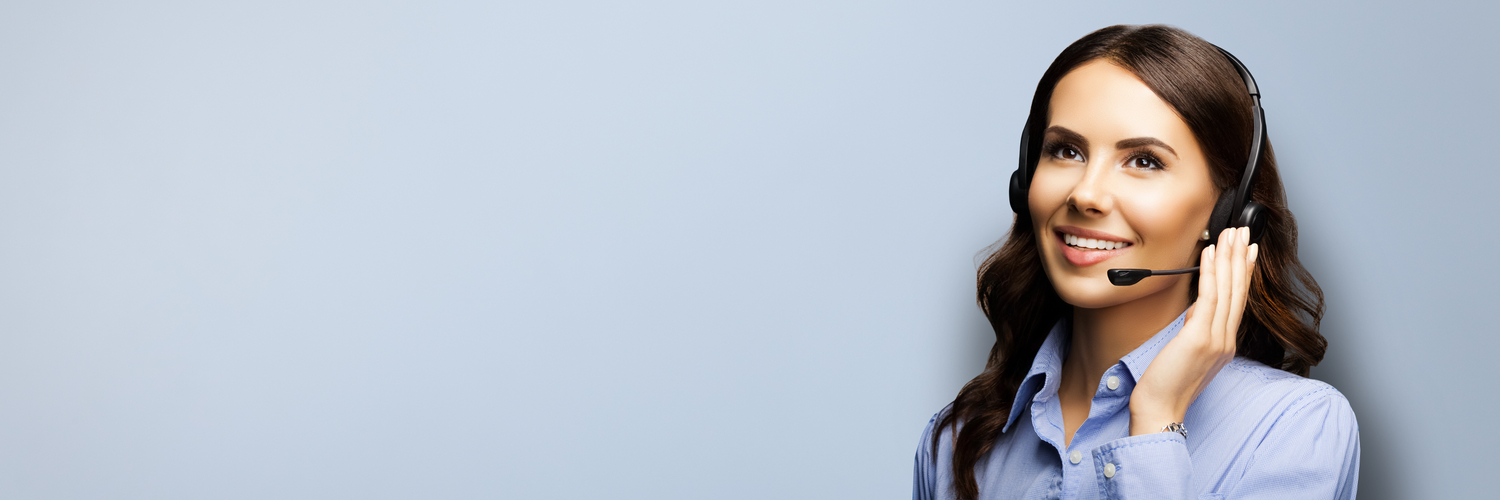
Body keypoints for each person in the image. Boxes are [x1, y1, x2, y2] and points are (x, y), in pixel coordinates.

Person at [912, 25, 1360, 500]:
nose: (1085, 194)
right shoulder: (955, 440)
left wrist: (1157, 422)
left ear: (1228, 211)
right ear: (1026, 181)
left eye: (1144, 161)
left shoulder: (1292, 428)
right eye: (1066, 151)